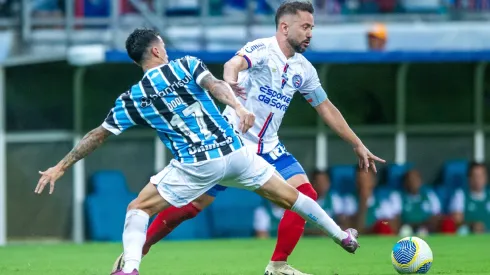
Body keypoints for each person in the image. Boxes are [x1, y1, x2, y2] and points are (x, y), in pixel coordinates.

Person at [35, 28, 364, 275]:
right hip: (236, 152)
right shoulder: (186, 66)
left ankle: (130, 268)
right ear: (155, 49)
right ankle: (341, 237)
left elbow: (98, 135)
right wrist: (239, 106)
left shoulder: (133, 98)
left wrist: (60, 166)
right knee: (291, 197)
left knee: (138, 207)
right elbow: (218, 85)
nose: (165, 46)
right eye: (162, 42)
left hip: (196, 165)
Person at [123, 2, 384, 275]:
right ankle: (138, 250)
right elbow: (232, 64)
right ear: (285, 27)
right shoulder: (261, 49)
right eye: (305, 27)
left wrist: (357, 143)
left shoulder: (304, 69)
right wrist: (233, 88)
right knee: (192, 207)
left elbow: (325, 107)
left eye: (312, 28)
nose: (310, 33)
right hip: (230, 142)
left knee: (305, 194)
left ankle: (278, 265)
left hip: (269, 146)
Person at [449, 162, 490, 234]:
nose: (478, 180)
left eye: (481, 176)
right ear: (469, 178)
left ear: (486, 178)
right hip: (469, 238)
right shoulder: (460, 195)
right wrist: (472, 225)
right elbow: (457, 220)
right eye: (475, 176)